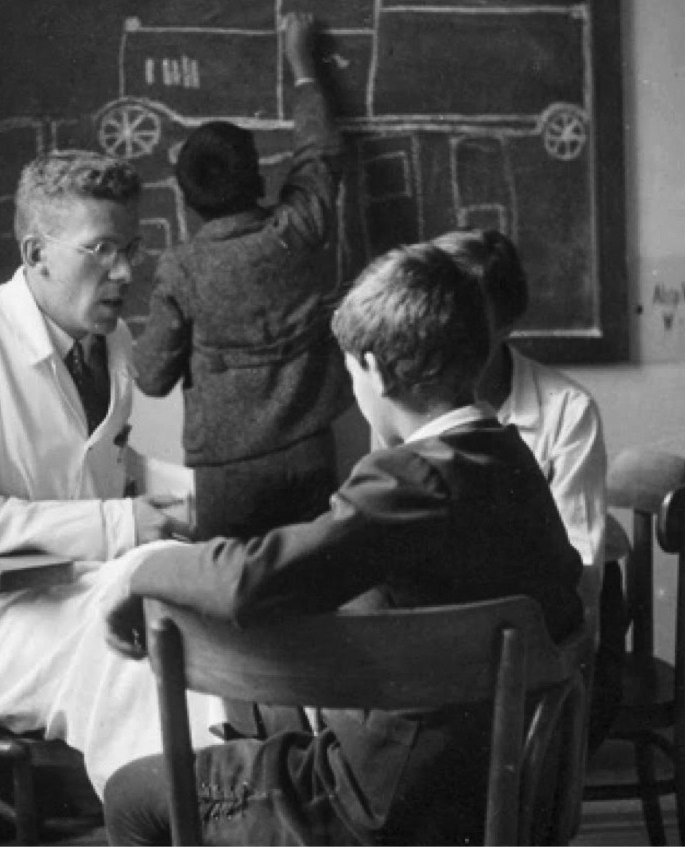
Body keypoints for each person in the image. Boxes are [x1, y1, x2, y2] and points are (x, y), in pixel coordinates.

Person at [102, 243, 584, 846]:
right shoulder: (510, 458)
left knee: (133, 792)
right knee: (261, 719)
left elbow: (251, 581)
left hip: (384, 806)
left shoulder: (413, 478)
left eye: (353, 372)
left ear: (377, 372)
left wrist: (141, 573)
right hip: (507, 797)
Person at [0, 150, 215, 798]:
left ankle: (221, 812)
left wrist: (204, 495)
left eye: (129, 246)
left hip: (73, 589)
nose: (124, 271)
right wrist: (119, 523)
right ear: (36, 253)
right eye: (99, 250)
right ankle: (173, 816)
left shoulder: (111, 341)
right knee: (146, 641)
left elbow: (104, 463)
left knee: (205, 615)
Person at [133, 11, 353, 542]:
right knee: (314, 596)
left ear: (185, 197)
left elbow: (151, 378)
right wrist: (303, 68)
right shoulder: (297, 229)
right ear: (258, 177)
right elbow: (320, 153)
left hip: (227, 473)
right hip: (310, 450)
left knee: (237, 605)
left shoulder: (181, 271)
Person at [432, 227, 623, 751]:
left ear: (508, 322)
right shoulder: (411, 398)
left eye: (473, 315)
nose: (451, 330)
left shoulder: (566, 410)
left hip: (550, 641)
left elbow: (579, 576)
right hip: (458, 637)